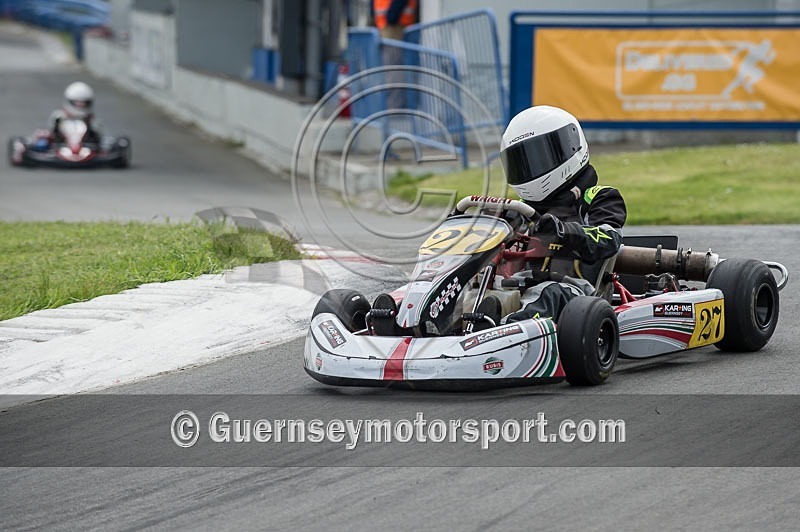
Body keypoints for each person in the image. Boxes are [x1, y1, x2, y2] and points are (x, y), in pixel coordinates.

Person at [495, 105, 627, 323]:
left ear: (570, 147)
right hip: (519, 285)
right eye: (522, 162)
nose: (530, 168)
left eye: (538, 158)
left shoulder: (599, 197)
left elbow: (610, 238)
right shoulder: (519, 209)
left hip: (575, 291)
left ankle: (506, 335)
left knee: (548, 294)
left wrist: (565, 232)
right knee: (477, 289)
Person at [47, 81, 102, 146]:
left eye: (83, 104)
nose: (80, 106)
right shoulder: (58, 117)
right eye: (77, 103)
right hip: (61, 149)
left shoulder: (92, 120)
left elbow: (100, 139)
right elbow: (50, 135)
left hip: (86, 151)